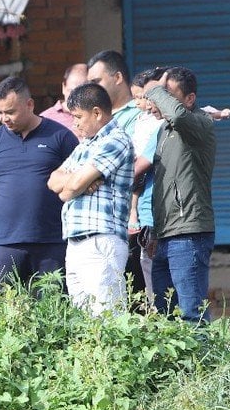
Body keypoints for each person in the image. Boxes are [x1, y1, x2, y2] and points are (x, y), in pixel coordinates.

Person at [0, 75, 78, 287]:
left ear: (29, 104)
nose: (5, 118)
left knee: (51, 310)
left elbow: (76, 181)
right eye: (0, 112)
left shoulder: (60, 136)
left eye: (11, 112)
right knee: (1, 312)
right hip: (5, 242)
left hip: (51, 241)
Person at [47, 83, 135, 315]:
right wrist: (77, 184)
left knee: (106, 319)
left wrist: (75, 184)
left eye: (78, 117)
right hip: (76, 241)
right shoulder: (85, 145)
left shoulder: (115, 139)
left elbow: (72, 185)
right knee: (84, 320)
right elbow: (54, 182)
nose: (74, 123)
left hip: (101, 239)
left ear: (97, 113)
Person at [140, 66, 217, 323]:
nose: (159, 100)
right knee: (166, 316)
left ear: (189, 99)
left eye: (168, 94)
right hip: (164, 235)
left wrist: (154, 89)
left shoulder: (200, 124)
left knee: (190, 314)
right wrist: (153, 229)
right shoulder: (163, 132)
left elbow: (180, 117)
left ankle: (205, 364)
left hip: (188, 233)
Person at [87, 50, 154, 295]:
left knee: (139, 296)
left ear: (117, 77)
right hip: (102, 223)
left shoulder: (143, 115)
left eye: (97, 81)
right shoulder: (94, 118)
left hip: (132, 223)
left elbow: (135, 165)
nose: (93, 88)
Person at [129, 68, 167, 304]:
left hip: (161, 214)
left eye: (147, 97)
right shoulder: (141, 122)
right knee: (150, 270)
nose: (144, 104)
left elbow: (137, 168)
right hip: (146, 211)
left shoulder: (166, 127)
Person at [40, 64, 89, 129]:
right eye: (72, 91)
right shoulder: (46, 119)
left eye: (84, 93)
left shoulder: (98, 116)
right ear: (64, 87)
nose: (77, 97)